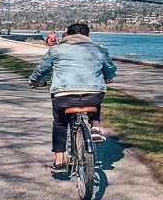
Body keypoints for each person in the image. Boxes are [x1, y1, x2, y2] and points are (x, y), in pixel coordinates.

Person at [29, 23, 116, 173]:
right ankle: (95, 128)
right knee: (96, 97)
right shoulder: (99, 50)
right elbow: (110, 69)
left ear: (67, 35)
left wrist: (34, 81)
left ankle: (60, 161)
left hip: (63, 97)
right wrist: (108, 79)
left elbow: (41, 69)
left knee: (60, 124)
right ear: (88, 35)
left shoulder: (56, 50)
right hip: (92, 96)